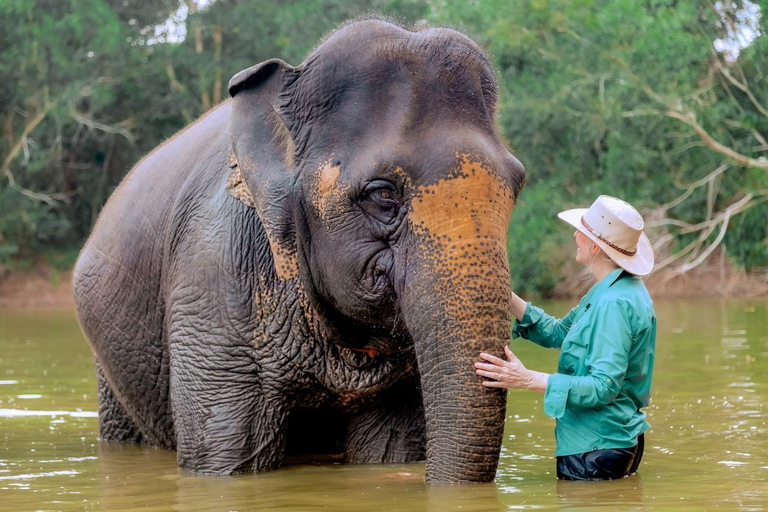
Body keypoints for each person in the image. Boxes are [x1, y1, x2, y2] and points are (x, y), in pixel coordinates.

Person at [474, 195, 656, 481]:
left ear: (595, 246)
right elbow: (559, 332)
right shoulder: (613, 290)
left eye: (581, 231)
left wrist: (525, 379)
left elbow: (602, 386)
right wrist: (504, 293)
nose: (574, 235)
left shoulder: (613, 304)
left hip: (595, 446)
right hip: (612, 440)